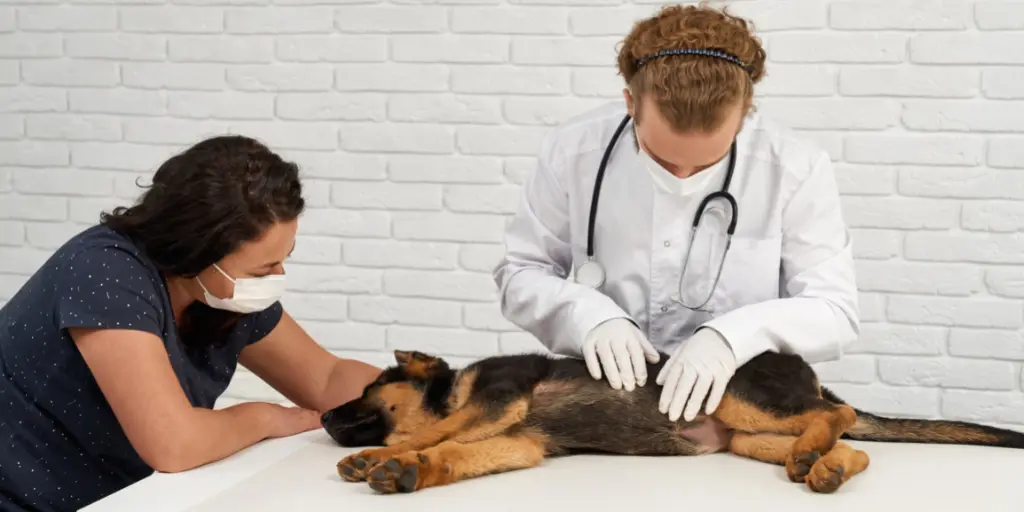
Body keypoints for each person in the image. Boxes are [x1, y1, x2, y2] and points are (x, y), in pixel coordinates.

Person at [494, 4, 859, 425]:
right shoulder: (572, 153)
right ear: (630, 103)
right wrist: (585, 314)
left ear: (745, 111)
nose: (683, 177)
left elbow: (835, 310)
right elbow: (522, 272)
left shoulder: (795, 167)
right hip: (610, 406)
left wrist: (734, 336)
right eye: (663, 158)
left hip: (739, 406)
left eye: (706, 163)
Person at [0, 135, 382, 511]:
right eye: (264, 267)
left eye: (283, 259)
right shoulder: (103, 272)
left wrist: (430, 400)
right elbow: (174, 444)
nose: (277, 275)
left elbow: (327, 378)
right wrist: (265, 417)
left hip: (123, 498)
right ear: (198, 251)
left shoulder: (220, 294)